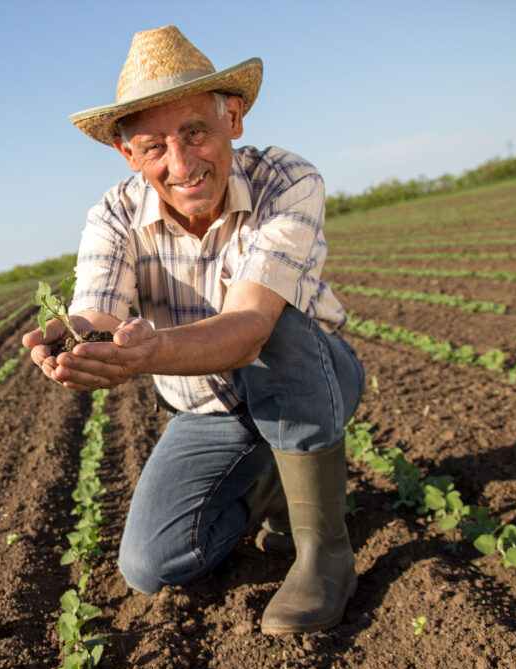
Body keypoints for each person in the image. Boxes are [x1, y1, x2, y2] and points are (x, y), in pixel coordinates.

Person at [22, 25, 365, 635]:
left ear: (232, 118)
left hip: (310, 378)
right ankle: (268, 483)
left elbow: (252, 326)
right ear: (128, 155)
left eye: (195, 133)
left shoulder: (286, 180)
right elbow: (99, 311)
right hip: (210, 410)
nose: (181, 164)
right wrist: (79, 340)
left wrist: (147, 353)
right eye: (153, 147)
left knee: (280, 327)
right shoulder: (114, 214)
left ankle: (324, 553)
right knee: (151, 564)